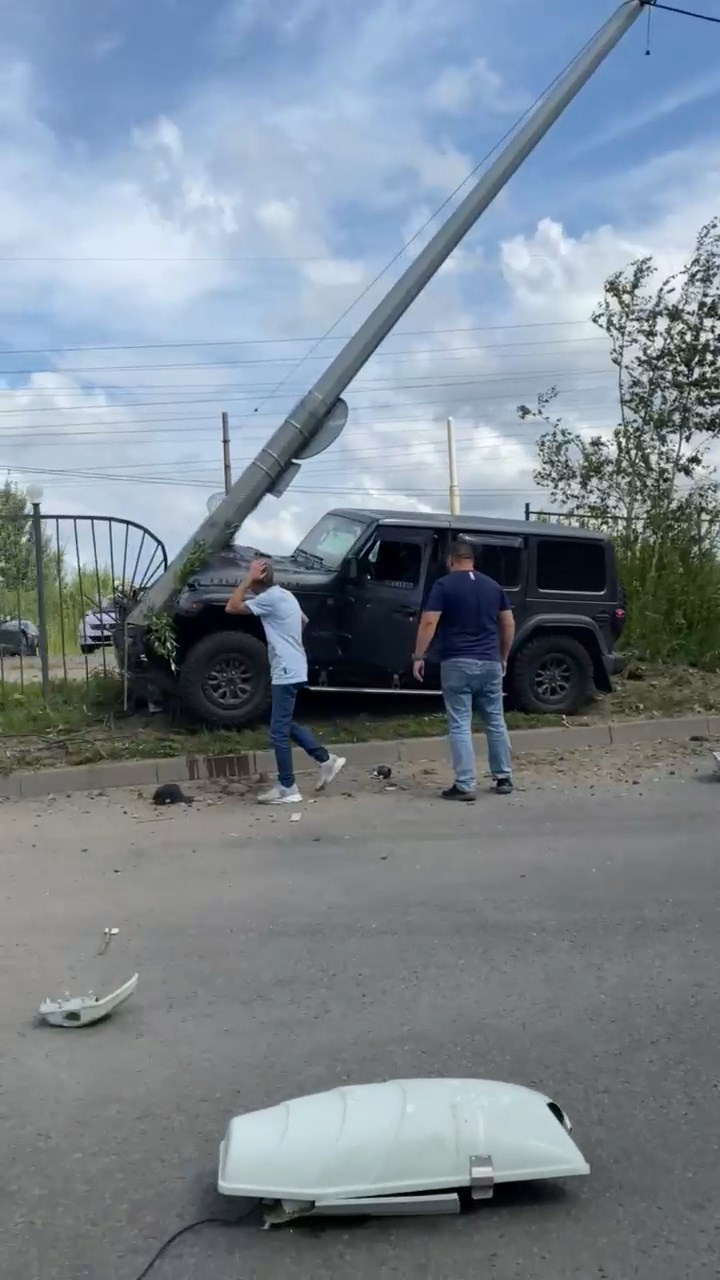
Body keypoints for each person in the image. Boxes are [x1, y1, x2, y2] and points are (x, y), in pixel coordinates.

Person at [226, 558, 345, 804]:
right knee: (284, 721)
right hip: (294, 666)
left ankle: (287, 787)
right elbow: (303, 620)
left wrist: (247, 581)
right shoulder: (285, 595)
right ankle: (325, 759)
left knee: (278, 733)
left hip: (285, 670)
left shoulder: (268, 599)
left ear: (258, 579)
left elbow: (232, 607)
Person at [412, 540, 515, 801]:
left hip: (457, 661)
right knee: (495, 720)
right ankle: (503, 777)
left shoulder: (444, 586)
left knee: (460, 723)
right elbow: (508, 623)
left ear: (450, 560)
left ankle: (465, 783)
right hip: (490, 661)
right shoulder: (493, 586)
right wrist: (502, 656)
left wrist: (419, 656)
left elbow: (429, 621)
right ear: (473, 560)